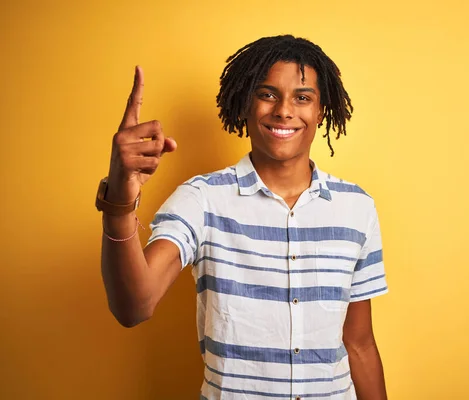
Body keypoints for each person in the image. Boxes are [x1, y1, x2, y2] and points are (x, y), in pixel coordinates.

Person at [97, 34, 388, 399]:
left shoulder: (356, 208)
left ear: (321, 111)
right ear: (244, 105)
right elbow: (133, 306)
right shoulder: (202, 199)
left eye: (302, 97)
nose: (284, 110)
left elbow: (359, 344)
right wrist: (119, 203)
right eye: (267, 94)